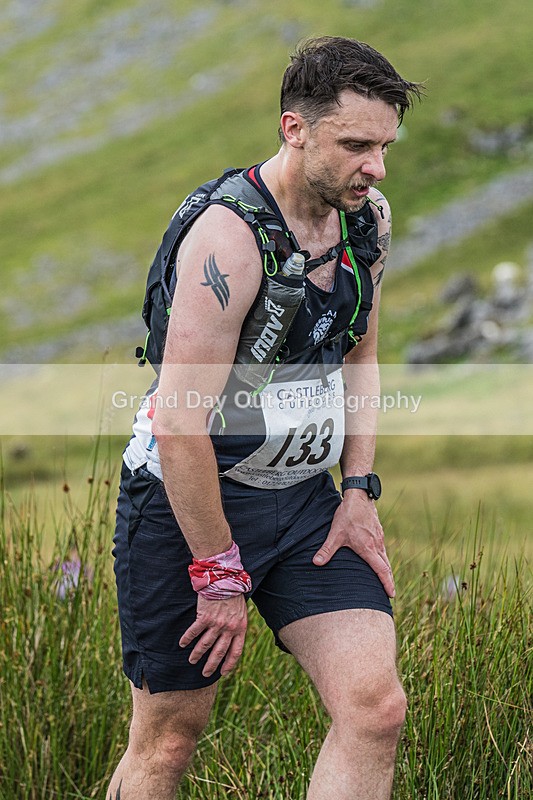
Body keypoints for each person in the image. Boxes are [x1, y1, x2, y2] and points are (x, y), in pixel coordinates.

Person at [109, 36, 422, 800]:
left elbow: (360, 354)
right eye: (354, 145)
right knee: (168, 743)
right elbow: (181, 424)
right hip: (188, 505)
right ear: (294, 129)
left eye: (383, 146)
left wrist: (357, 490)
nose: (374, 167)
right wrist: (216, 571)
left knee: (374, 709)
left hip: (304, 504)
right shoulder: (230, 237)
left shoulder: (365, 218)